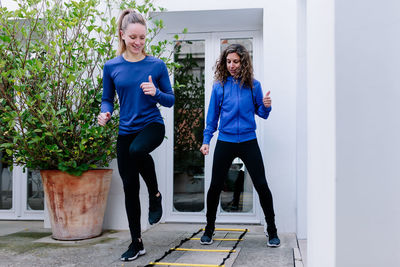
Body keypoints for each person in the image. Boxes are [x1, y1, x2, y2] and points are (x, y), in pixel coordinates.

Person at [98, 9, 174, 261]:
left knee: (137, 150)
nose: (138, 43)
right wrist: (105, 113)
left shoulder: (156, 65)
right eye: (133, 37)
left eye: (142, 38)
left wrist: (156, 93)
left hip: (151, 125)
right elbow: (107, 99)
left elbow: (170, 99)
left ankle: (155, 194)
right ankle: (136, 242)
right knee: (130, 187)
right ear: (122, 35)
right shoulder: (111, 67)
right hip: (125, 130)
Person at [199, 43, 280, 247]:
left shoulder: (254, 85)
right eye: (228, 61)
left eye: (235, 61)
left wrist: (266, 106)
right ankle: (209, 229)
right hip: (225, 140)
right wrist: (206, 141)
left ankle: (272, 231)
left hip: (247, 140)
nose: (232, 65)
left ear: (243, 62)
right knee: (215, 186)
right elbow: (212, 118)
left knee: (261, 185)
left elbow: (261, 113)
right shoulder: (219, 87)